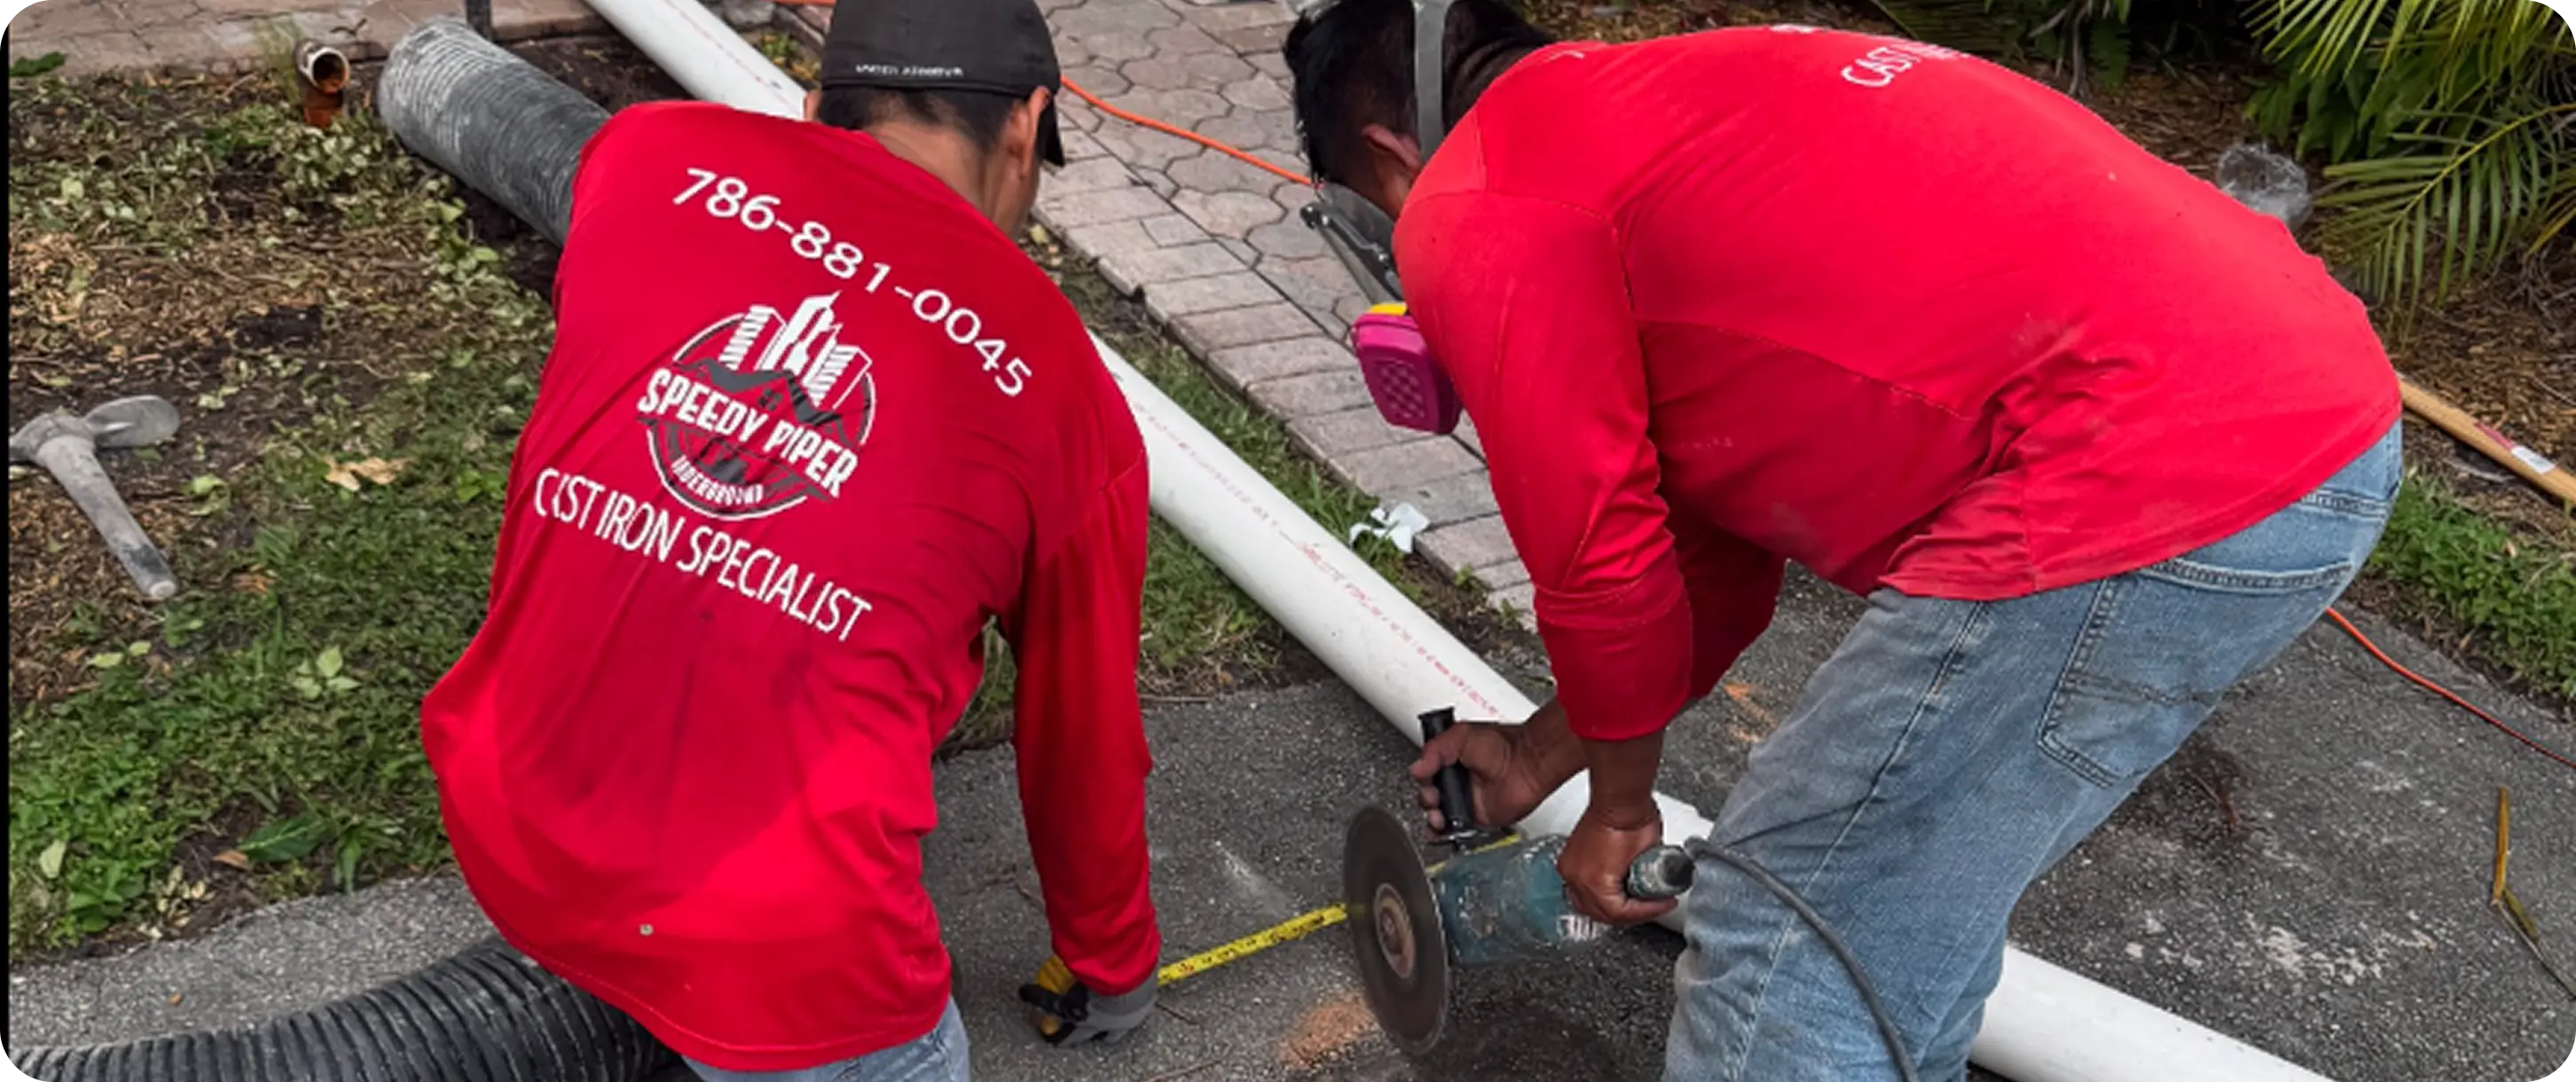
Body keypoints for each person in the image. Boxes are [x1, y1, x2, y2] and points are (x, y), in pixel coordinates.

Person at [1283, 4, 2400, 1080]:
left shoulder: (1475, 196)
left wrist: (1621, 810)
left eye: (1374, 204)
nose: (1399, 246)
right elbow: (1700, 584)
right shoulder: (1647, 120)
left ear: (1389, 145)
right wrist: (1540, 757)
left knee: (1789, 922)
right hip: (2314, 417)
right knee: (1891, 920)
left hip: (2144, 461)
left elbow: (1603, 569)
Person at [420, 2, 1163, 1078]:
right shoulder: (1063, 387)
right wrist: (1112, 962)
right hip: (789, 957)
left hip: (507, 810)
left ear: (814, 105)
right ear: (1025, 126)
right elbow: (1079, 732)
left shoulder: (646, 157)